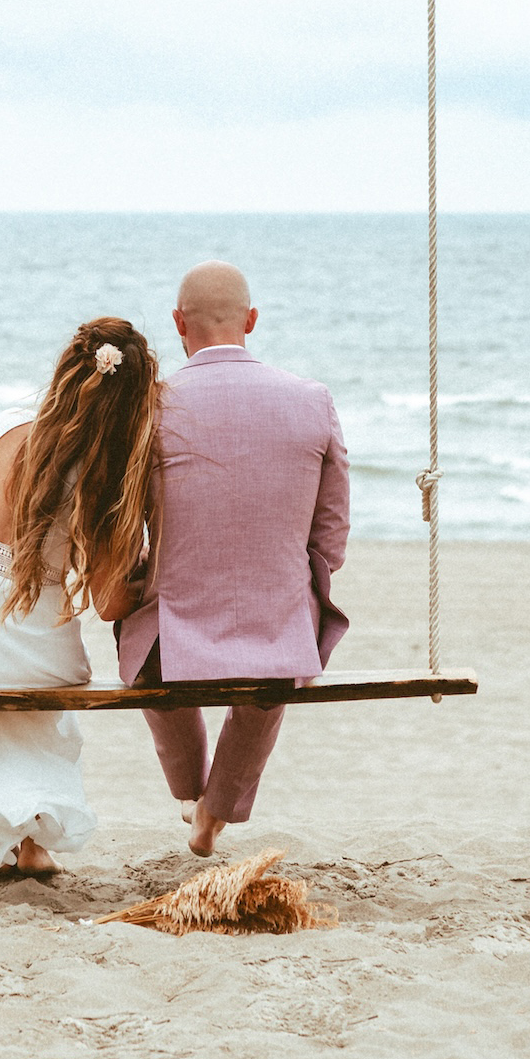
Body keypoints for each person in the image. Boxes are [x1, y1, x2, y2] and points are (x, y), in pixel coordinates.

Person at [117, 259, 349, 857]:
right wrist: (289, 583)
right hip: (276, 632)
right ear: (251, 319)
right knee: (276, 667)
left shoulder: (150, 406)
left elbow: (127, 528)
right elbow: (331, 538)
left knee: (144, 647)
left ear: (177, 323)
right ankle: (216, 807)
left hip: (174, 641)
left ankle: (192, 791)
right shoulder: (312, 400)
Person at [0, 316, 158, 877]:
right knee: (53, 685)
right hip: (20, 639)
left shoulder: (5, 422)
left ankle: (11, 838)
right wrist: (147, 571)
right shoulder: (97, 470)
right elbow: (109, 603)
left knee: (6, 679)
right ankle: (30, 837)